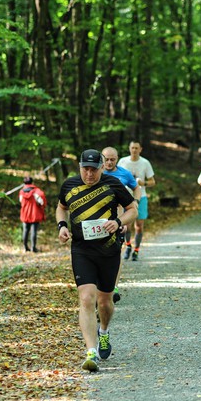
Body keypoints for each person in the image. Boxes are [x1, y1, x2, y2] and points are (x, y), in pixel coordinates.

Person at [56, 149, 138, 372]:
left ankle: (103, 331)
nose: (89, 174)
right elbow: (61, 208)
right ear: (80, 167)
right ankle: (90, 352)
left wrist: (119, 222)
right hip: (82, 249)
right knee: (86, 298)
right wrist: (62, 226)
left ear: (102, 168)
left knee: (104, 301)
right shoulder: (69, 185)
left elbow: (133, 209)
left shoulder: (113, 184)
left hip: (109, 250)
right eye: (85, 169)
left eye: (94, 169)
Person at [102, 146, 142, 303]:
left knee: (115, 254)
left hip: (119, 219)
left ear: (117, 159)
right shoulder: (95, 174)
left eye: (112, 159)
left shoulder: (124, 174)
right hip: (97, 221)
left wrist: (135, 202)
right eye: (106, 159)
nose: (109, 162)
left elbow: (136, 188)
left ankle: (114, 287)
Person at [118, 141, 156, 261]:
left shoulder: (145, 163)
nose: (134, 150)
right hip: (125, 198)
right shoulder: (123, 162)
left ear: (140, 149)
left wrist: (142, 183)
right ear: (129, 149)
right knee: (126, 226)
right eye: (132, 148)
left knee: (139, 226)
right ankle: (128, 245)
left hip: (141, 197)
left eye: (136, 148)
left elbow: (153, 181)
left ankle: (136, 250)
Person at [19, 176, 46, 252]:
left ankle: (25, 247)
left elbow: (20, 201)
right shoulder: (36, 192)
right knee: (33, 231)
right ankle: (33, 248)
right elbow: (42, 202)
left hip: (25, 214)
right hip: (34, 213)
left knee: (25, 230)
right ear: (32, 182)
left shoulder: (21, 192)